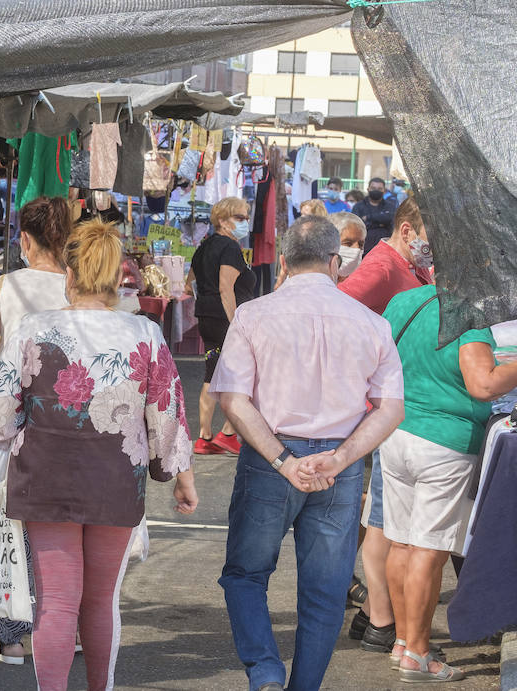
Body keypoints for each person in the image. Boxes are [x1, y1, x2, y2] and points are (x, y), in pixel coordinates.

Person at [0, 219, 198, 691]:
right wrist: (181, 477)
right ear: (118, 276)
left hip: (45, 475)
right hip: (116, 477)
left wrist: (9, 437)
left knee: (56, 600)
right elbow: (166, 412)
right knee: (100, 601)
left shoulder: (33, 328)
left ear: (70, 275)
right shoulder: (145, 333)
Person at [211, 216, 405, 691]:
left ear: (282, 262)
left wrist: (283, 460)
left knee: (245, 575)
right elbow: (390, 409)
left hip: (271, 458)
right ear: (336, 263)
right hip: (338, 465)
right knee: (324, 591)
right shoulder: (371, 323)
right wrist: (339, 459)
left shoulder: (253, 315)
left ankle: (266, 672)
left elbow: (233, 399)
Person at [379, 285, 517, 683]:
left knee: (399, 541)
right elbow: (483, 385)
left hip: (396, 431)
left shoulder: (403, 300)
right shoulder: (468, 313)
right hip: (444, 442)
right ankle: (418, 653)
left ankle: (401, 642)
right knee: (428, 550)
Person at [0, 195, 74, 665]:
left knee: (12, 530)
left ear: (24, 239)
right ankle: (70, 630)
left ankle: (10, 639)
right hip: (72, 426)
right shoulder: (80, 286)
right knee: (67, 529)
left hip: (14, 422)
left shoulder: (5, 285)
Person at [337, 197, 432, 656]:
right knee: (380, 520)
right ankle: (378, 615)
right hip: (382, 408)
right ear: (409, 230)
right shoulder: (381, 266)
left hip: (396, 405)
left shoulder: (404, 265)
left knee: (378, 519)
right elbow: (337, 312)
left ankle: (373, 611)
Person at [185, 196, 256, 456]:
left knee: (212, 373)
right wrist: (235, 323)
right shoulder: (229, 247)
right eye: (239, 217)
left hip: (207, 316)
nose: (245, 222)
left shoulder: (204, 247)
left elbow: (188, 283)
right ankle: (227, 433)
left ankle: (206, 436)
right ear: (223, 220)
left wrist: (205, 302)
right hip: (225, 319)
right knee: (240, 375)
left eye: (246, 217)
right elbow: (227, 289)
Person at [339, 196, 432, 314]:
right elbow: (337, 306)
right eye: (434, 238)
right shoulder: (380, 268)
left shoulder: (416, 260)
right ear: (406, 231)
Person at [353, 177, 400, 254]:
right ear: (368, 189)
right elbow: (357, 226)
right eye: (373, 188)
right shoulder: (358, 206)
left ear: (384, 191)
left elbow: (391, 221)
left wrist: (368, 218)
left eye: (379, 188)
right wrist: (381, 223)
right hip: (362, 250)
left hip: (384, 250)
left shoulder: (390, 206)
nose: (376, 190)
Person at [329, 212, 366, 281]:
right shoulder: (315, 282)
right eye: (348, 243)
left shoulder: (363, 283)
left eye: (361, 244)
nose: (357, 249)